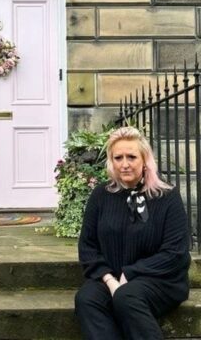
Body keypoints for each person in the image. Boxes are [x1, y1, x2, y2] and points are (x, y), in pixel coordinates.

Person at [74, 126, 191, 340]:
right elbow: (87, 247)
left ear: (145, 160)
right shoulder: (101, 195)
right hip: (113, 279)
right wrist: (110, 280)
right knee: (87, 298)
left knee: (127, 297)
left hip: (159, 280)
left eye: (131, 157)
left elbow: (175, 252)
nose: (125, 164)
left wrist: (130, 273)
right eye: (118, 157)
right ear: (111, 161)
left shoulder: (167, 196)